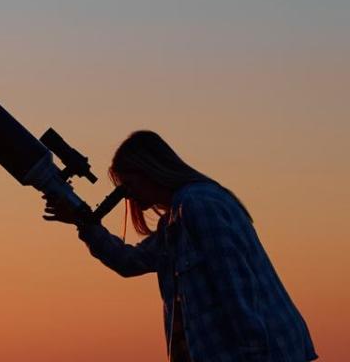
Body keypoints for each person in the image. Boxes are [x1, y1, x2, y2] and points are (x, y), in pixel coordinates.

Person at [44, 130, 315, 362]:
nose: (129, 195)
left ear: (150, 170)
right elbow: (129, 262)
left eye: (129, 185)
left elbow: (236, 291)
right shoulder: (176, 220)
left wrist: (254, 356)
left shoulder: (199, 206)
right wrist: (82, 221)